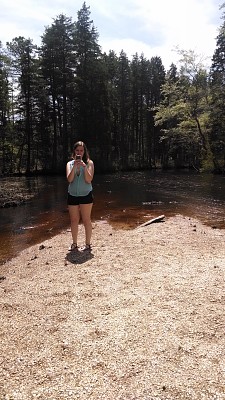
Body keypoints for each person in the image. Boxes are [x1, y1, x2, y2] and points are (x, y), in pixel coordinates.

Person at [66, 141, 94, 251]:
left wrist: (84, 166)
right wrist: (74, 167)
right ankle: (74, 243)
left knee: (86, 219)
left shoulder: (89, 163)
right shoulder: (69, 164)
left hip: (86, 194)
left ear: (84, 151)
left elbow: (88, 179)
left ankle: (87, 244)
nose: (79, 152)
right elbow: (70, 179)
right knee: (74, 220)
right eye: (77, 150)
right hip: (72, 194)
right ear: (74, 151)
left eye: (81, 150)